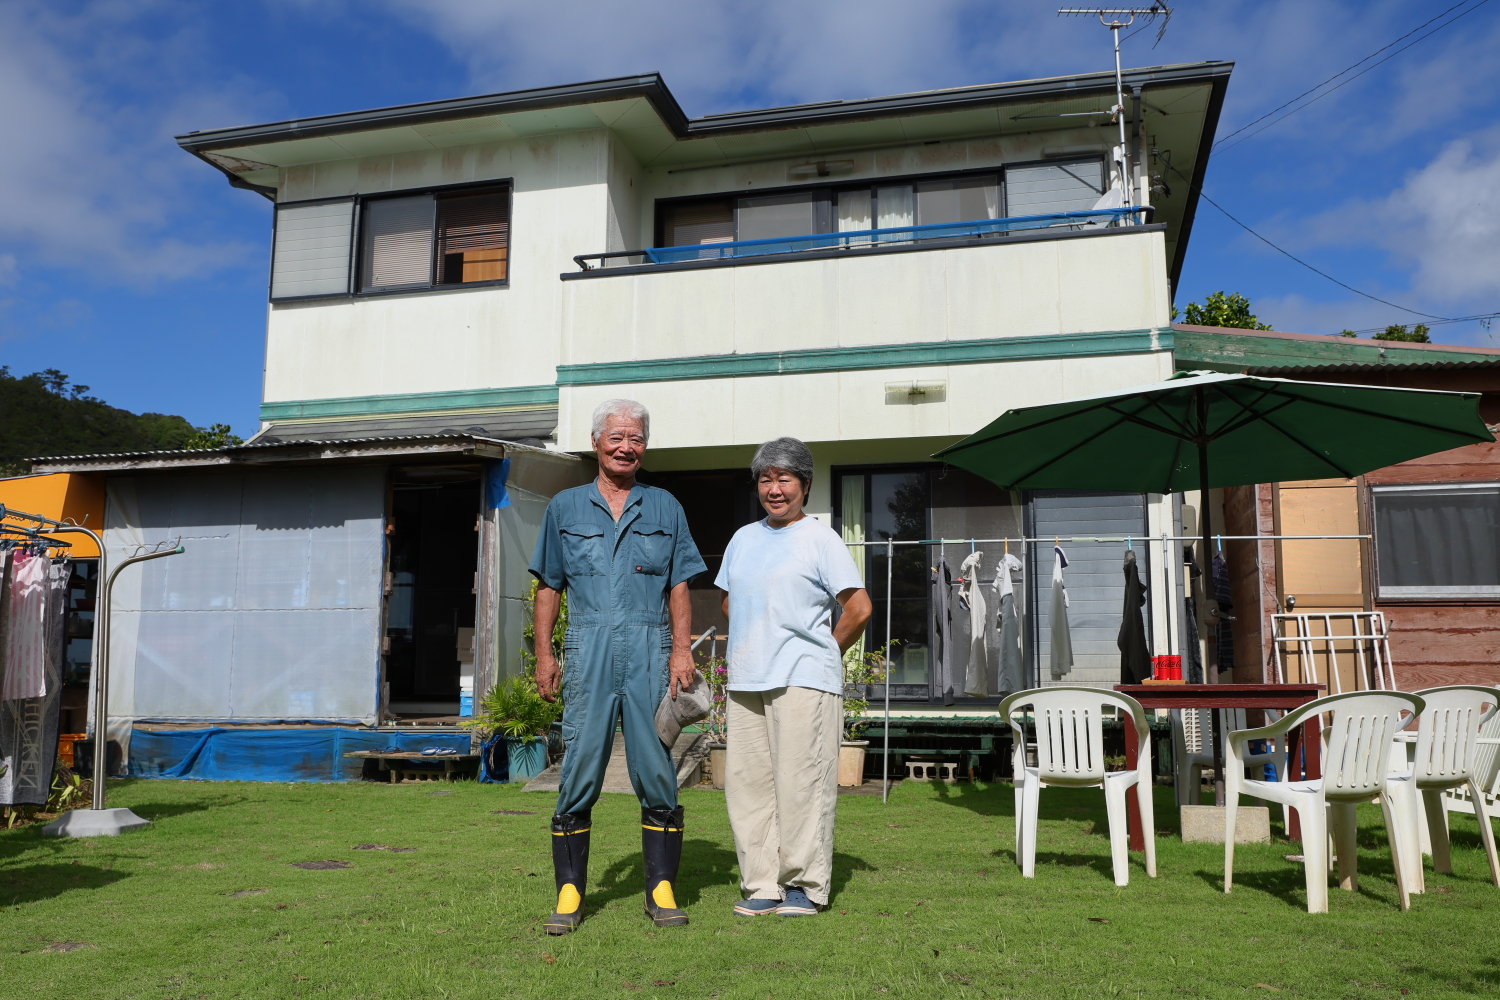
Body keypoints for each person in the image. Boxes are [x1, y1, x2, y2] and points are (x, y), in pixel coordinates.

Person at [529, 398, 707, 935]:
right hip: (587, 649)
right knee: (581, 761)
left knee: (655, 763)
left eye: (636, 439)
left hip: (652, 649)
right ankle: (569, 891)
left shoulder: (665, 506)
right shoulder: (565, 507)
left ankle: (660, 887)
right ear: (596, 443)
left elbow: (680, 583)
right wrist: (544, 653)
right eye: (617, 438)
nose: (626, 447)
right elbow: (548, 587)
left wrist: (682, 650)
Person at [715, 437, 872, 917]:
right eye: (766, 479)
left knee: (801, 783)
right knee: (748, 785)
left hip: (804, 679)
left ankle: (804, 885)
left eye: (785, 478)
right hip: (746, 680)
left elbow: (858, 608)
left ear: (805, 485)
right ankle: (762, 884)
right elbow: (728, 601)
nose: (774, 488)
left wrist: (822, 649)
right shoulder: (743, 538)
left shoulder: (820, 539)